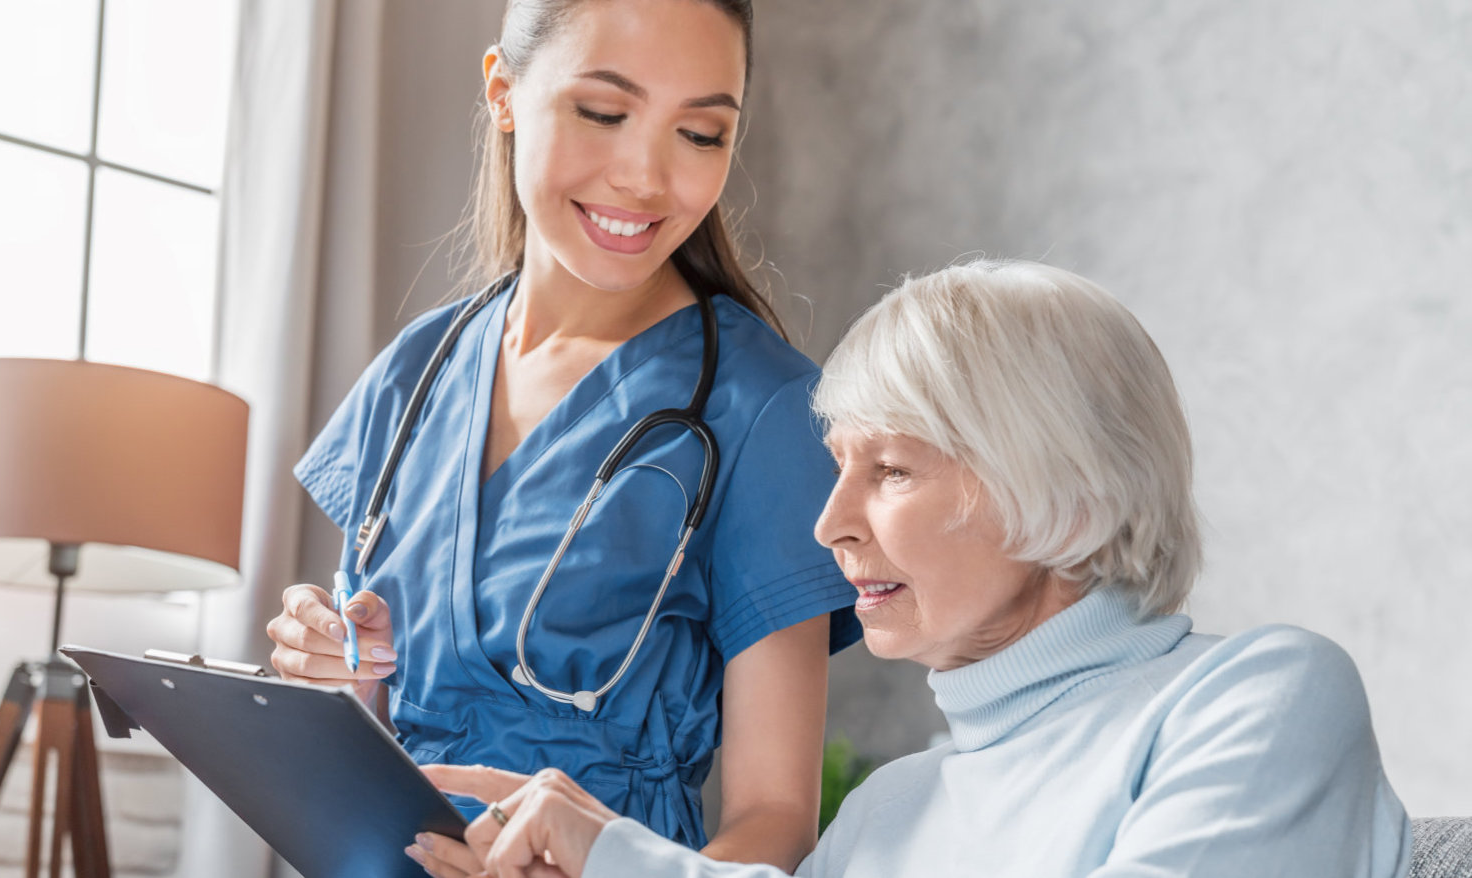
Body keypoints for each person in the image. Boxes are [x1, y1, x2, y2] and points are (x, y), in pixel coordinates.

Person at [423, 259, 1413, 878]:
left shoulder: (1263, 696)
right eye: (837, 467)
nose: (826, 525)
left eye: (889, 469)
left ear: (1063, 488)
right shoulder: (887, 814)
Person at [266, 0, 863, 872]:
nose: (647, 178)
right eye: (604, 112)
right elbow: (379, 720)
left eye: (700, 133)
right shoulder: (419, 368)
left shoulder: (763, 410)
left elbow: (775, 827)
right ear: (502, 92)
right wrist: (332, 667)